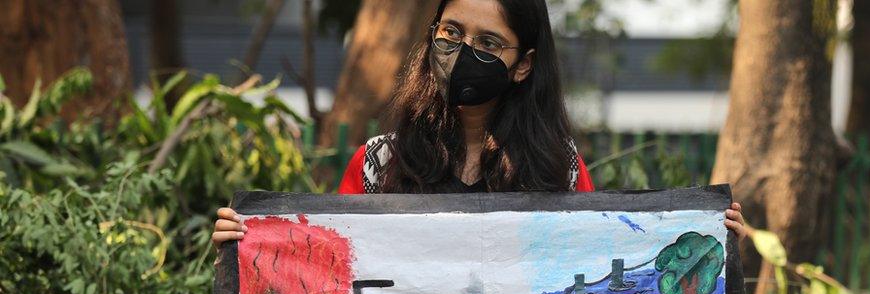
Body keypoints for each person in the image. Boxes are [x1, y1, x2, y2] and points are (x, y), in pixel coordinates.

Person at [212, 0, 746, 244]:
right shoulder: (379, 163)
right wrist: (254, 247)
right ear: (432, 35)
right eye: (452, 31)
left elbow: (597, 267)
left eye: (489, 42)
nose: (463, 51)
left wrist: (705, 239)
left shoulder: (559, 171)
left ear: (524, 65)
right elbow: (324, 269)